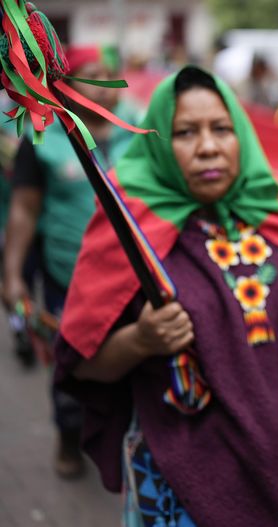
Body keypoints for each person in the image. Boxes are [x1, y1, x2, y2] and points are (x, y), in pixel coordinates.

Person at [53, 66, 278, 526]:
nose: (207, 146)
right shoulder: (127, 227)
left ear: (241, 136)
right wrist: (140, 340)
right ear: (157, 142)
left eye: (221, 129)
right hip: (183, 486)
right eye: (185, 132)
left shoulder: (275, 207)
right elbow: (81, 364)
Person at [1, 45, 139, 479]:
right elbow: (24, 209)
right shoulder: (43, 138)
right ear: (66, 84)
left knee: (135, 361)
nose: (103, 84)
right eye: (90, 74)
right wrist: (12, 275)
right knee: (73, 362)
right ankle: (68, 434)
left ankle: (128, 441)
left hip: (136, 278)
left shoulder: (139, 129)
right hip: (69, 279)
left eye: (108, 74)